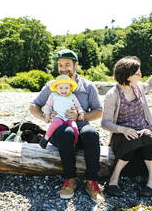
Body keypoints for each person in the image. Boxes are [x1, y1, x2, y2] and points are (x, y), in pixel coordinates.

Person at [29, 49, 105, 202]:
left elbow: (98, 112)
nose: (63, 68)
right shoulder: (52, 85)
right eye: (60, 65)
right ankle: (70, 179)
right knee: (67, 133)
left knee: (92, 133)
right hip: (60, 129)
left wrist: (80, 116)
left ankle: (92, 182)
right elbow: (33, 106)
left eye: (67, 65)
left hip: (81, 126)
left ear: (75, 64)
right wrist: (44, 116)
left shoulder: (88, 86)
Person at [101, 56, 152, 198]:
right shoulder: (113, 94)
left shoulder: (138, 87)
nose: (140, 76)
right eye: (138, 73)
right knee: (133, 137)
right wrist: (123, 130)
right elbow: (105, 123)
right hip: (122, 135)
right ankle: (114, 179)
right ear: (127, 75)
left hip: (144, 134)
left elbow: (150, 84)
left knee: (147, 134)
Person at [38, 74, 85, 149]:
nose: (64, 90)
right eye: (61, 88)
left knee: (74, 127)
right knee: (55, 124)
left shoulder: (72, 96)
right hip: (58, 116)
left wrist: (81, 113)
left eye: (66, 88)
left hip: (69, 118)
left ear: (70, 88)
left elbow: (78, 106)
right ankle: (45, 139)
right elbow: (48, 106)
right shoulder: (53, 96)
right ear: (56, 88)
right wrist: (47, 115)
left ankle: (75, 143)